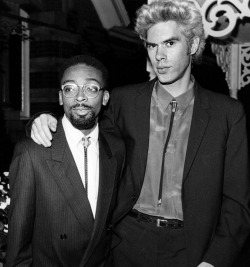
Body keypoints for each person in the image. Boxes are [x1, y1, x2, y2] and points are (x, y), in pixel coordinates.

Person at [28, 0, 250, 266]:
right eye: (152, 45)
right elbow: (80, 123)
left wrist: (214, 260)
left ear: (192, 45)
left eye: (170, 43)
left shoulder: (227, 113)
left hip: (191, 249)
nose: (159, 56)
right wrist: (43, 120)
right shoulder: (124, 101)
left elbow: (237, 203)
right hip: (126, 242)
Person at [6, 55, 126, 266]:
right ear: (61, 97)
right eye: (70, 89)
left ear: (105, 97)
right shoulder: (31, 153)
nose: (80, 97)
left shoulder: (116, 149)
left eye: (91, 89)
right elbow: (18, 249)